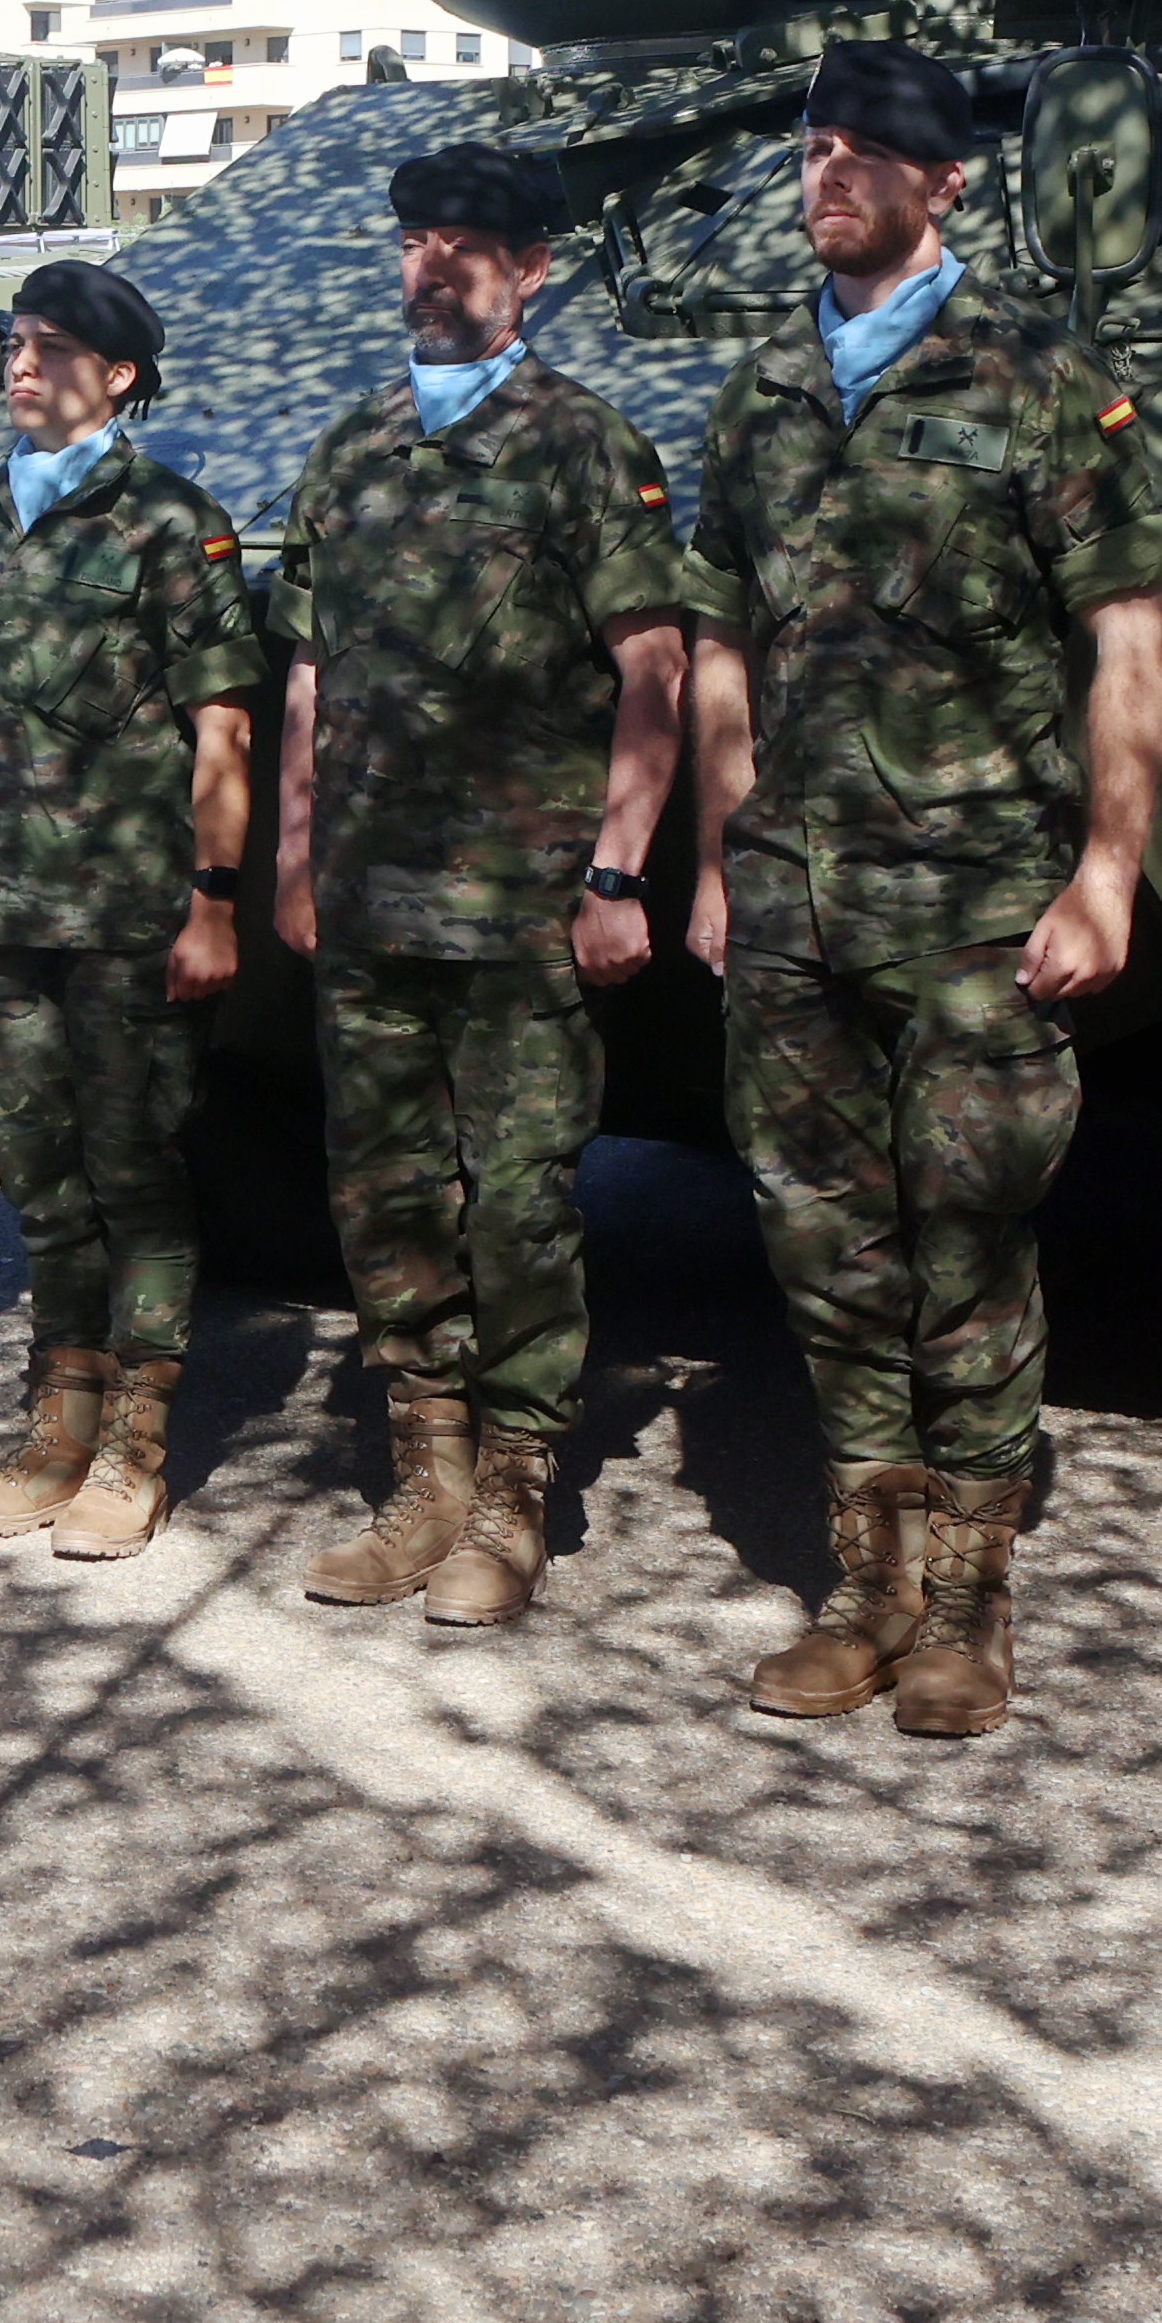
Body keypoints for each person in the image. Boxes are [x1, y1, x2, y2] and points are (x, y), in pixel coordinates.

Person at [680, 42, 1162, 1739]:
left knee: (965, 1231)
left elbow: (1126, 626)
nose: (827, 172)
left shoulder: (1032, 372)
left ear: (941, 180)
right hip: (795, 903)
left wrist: (1105, 868)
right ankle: (867, 1581)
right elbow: (716, 640)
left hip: (973, 893)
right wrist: (709, 856)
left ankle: (969, 1595)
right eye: (812, 145)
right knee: (822, 1240)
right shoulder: (757, 389)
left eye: (862, 149)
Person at [270, 142, 685, 1630]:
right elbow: (308, 669)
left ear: (532, 273)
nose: (432, 265)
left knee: (518, 1206)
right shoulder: (355, 447)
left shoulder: (583, 444)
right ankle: (426, 1476)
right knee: (385, 1197)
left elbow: (656, 666)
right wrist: (294, 850)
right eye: (418, 242)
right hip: (373, 906)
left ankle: (515, 1495)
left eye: (466, 245)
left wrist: (620, 869)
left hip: (521, 908)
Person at [0, 261, 263, 1560]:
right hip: (5, 909)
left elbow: (222, 720)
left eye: (50, 349)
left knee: (135, 1178)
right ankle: (55, 1429)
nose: (20, 367)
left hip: (128, 912)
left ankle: (135, 1446)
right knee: (39, 1178)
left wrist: (214, 901)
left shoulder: (171, 522)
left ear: (116, 377)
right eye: (15, 344)